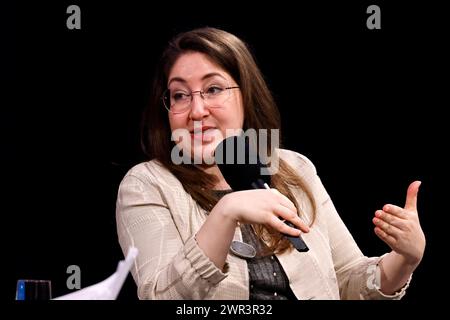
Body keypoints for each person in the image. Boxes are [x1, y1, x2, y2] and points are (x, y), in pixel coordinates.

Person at [115, 27, 425, 300]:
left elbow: (346, 282)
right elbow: (161, 298)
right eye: (180, 95)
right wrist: (226, 212)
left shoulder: (294, 167)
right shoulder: (146, 184)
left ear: (245, 96)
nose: (197, 110)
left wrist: (405, 259)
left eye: (213, 89)